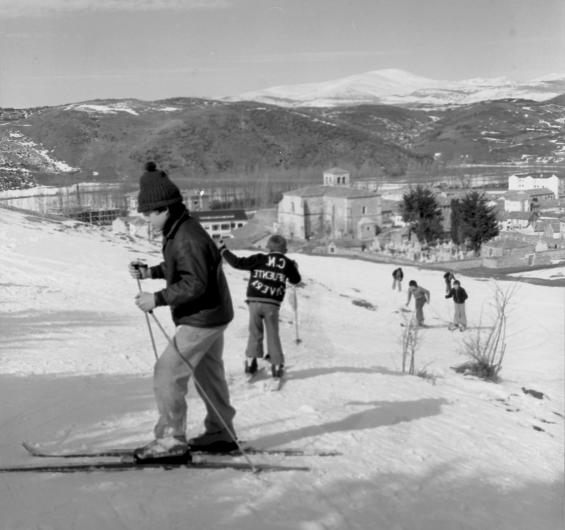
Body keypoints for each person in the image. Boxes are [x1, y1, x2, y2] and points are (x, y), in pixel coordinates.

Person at [129, 161, 236, 461]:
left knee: (167, 373)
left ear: (165, 208)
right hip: (213, 314)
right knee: (208, 374)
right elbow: (182, 267)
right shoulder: (180, 228)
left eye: (150, 213)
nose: (147, 219)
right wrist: (151, 272)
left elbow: (196, 283)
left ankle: (171, 440)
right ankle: (221, 433)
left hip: (201, 317)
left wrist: (157, 298)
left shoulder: (186, 236)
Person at [219, 234, 301, 380]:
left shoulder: (259, 258)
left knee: (254, 332)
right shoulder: (287, 263)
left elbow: (237, 263)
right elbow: (296, 280)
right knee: (273, 334)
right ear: (285, 250)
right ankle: (276, 366)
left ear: (268, 248)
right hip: (272, 304)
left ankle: (251, 363)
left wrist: (223, 250)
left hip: (254, 302)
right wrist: (294, 268)